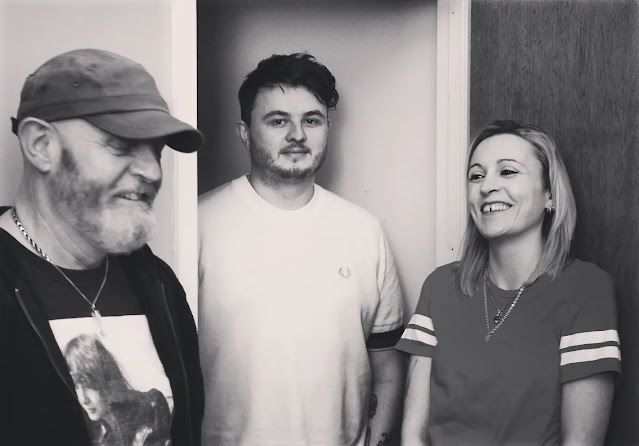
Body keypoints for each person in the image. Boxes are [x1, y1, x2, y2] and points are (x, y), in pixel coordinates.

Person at [198, 53, 405, 445]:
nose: (297, 134)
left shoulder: (363, 231)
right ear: (245, 133)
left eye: (311, 120)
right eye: (278, 121)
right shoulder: (199, 225)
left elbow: (387, 365)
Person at [0, 49, 204, 445]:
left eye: (157, 151)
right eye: (122, 145)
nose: (153, 171)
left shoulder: (159, 284)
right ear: (41, 145)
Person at [397, 120, 621, 445]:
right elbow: (412, 435)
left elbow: (581, 441)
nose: (487, 186)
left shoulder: (586, 289)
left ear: (549, 194)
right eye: (476, 175)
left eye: (508, 171)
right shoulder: (439, 287)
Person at [65, 334, 172, 446]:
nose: (83, 399)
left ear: (106, 377)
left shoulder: (152, 407)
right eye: (76, 386)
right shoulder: (104, 440)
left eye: (88, 384)